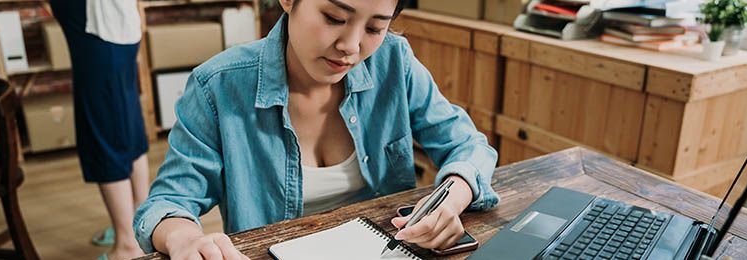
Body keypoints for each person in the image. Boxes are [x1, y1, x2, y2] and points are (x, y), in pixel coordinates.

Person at [133, 0, 500, 258]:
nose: (351, 47)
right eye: (334, 17)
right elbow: (170, 201)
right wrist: (183, 238)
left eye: (374, 27)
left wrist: (451, 201)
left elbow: (469, 146)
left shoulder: (394, 60)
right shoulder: (219, 86)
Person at [49, 0, 150, 259]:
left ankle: (127, 245)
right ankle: (138, 223)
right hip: (116, 25)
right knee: (125, 118)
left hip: (101, 29)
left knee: (103, 130)